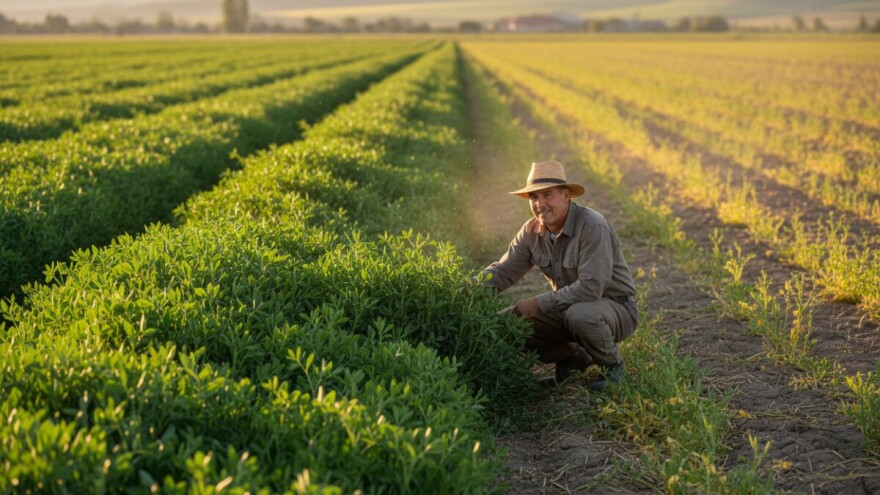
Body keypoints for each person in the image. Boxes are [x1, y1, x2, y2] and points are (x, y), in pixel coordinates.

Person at [481, 160, 639, 391]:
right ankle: (572, 359)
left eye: (547, 195)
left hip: (615, 308)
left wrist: (538, 303)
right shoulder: (531, 230)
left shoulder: (592, 226)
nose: (540, 204)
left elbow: (591, 287)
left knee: (581, 314)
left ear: (566, 195)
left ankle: (613, 367)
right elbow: (503, 271)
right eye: (534, 197)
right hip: (567, 308)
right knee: (507, 325)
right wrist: (466, 291)